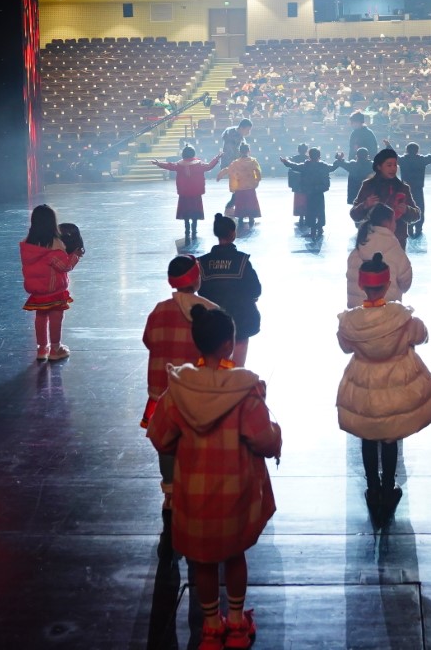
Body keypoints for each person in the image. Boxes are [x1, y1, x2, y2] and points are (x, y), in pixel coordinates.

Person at [146, 307, 282, 650]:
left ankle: (209, 628)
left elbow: (160, 437)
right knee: (234, 557)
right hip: (236, 493)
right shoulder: (244, 390)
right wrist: (277, 436)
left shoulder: (179, 390)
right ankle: (236, 625)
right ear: (228, 345)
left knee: (203, 562)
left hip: (194, 495)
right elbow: (264, 440)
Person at [337, 252, 431, 511]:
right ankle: (388, 487)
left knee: (367, 437)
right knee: (390, 438)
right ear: (387, 285)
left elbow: (345, 347)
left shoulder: (350, 322)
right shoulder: (401, 317)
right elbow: (421, 335)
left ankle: (372, 487)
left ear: (361, 284)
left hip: (364, 385)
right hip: (395, 385)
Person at [141, 255, 220, 559]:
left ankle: (170, 494)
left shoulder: (159, 310)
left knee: (167, 443)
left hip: (162, 390)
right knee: (198, 441)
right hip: (197, 392)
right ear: (196, 279)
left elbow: (149, 340)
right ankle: (198, 491)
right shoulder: (210, 310)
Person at [197, 215, 263, 365]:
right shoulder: (242, 260)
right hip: (241, 320)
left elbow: (201, 291)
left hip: (212, 322)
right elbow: (256, 290)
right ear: (233, 233)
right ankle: (236, 372)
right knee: (237, 363)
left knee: (214, 364)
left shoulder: (203, 262)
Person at [20, 203, 82, 363]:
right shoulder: (54, 246)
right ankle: (55, 348)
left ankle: (42, 349)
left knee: (40, 317)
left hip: (37, 291)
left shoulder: (28, 245)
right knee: (55, 317)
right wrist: (75, 256)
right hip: (54, 290)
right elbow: (65, 266)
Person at [345, 202, 412, 308]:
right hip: (386, 311)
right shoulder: (396, 252)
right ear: (388, 223)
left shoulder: (355, 252)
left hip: (358, 312)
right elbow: (406, 284)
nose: (395, 224)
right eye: (394, 221)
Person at [153, 146, 222, 241]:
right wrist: (217, 158)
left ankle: (187, 230)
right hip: (196, 192)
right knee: (195, 212)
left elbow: (169, 165)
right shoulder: (199, 164)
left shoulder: (179, 165)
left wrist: (159, 163)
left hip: (184, 193)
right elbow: (209, 166)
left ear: (183, 154)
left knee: (185, 212)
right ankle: (194, 230)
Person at [349, 148, 421, 229]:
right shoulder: (368, 185)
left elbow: (417, 215)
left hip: (397, 235)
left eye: (395, 165)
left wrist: (407, 210)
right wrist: (365, 205)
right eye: (389, 165)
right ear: (379, 167)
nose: (393, 168)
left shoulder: (403, 187)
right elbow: (354, 215)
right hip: (373, 234)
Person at [397, 143, 431, 236]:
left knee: (406, 207)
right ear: (417, 151)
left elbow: (393, 154)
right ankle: (419, 226)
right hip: (418, 188)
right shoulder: (421, 160)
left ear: (406, 150)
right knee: (419, 207)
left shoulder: (402, 160)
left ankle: (409, 226)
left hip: (405, 189)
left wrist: (388, 145)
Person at [218, 143, 263, 229]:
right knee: (251, 203)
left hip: (240, 187)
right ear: (249, 151)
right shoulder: (253, 162)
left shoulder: (236, 163)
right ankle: (251, 218)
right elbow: (258, 172)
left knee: (241, 203)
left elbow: (229, 169)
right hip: (250, 187)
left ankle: (241, 218)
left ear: (240, 151)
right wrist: (256, 181)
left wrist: (221, 174)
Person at [297, 148, 334, 235]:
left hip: (309, 191)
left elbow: (293, 166)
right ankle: (320, 227)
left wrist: (286, 162)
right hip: (319, 191)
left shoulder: (305, 166)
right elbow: (333, 167)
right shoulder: (323, 166)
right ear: (319, 156)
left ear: (309, 156)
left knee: (310, 210)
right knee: (320, 210)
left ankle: (313, 228)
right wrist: (339, 160)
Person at [217, 118, 253, 189]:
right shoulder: (231, 135)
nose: (249, 132)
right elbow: (232, 152)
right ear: (242, 128)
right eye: (248, 130)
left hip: (235, 164)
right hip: (230, 162)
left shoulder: (239, 134)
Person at [279, 144, 310, 226]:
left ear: (298, 150)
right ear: (306, 150)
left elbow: (289, 165)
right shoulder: (309, 159)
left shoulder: (293, 158)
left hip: (297, 183)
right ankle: (307, 214)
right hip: (307, 183)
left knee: (299, 199)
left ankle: (301, 215)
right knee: (307, 199)